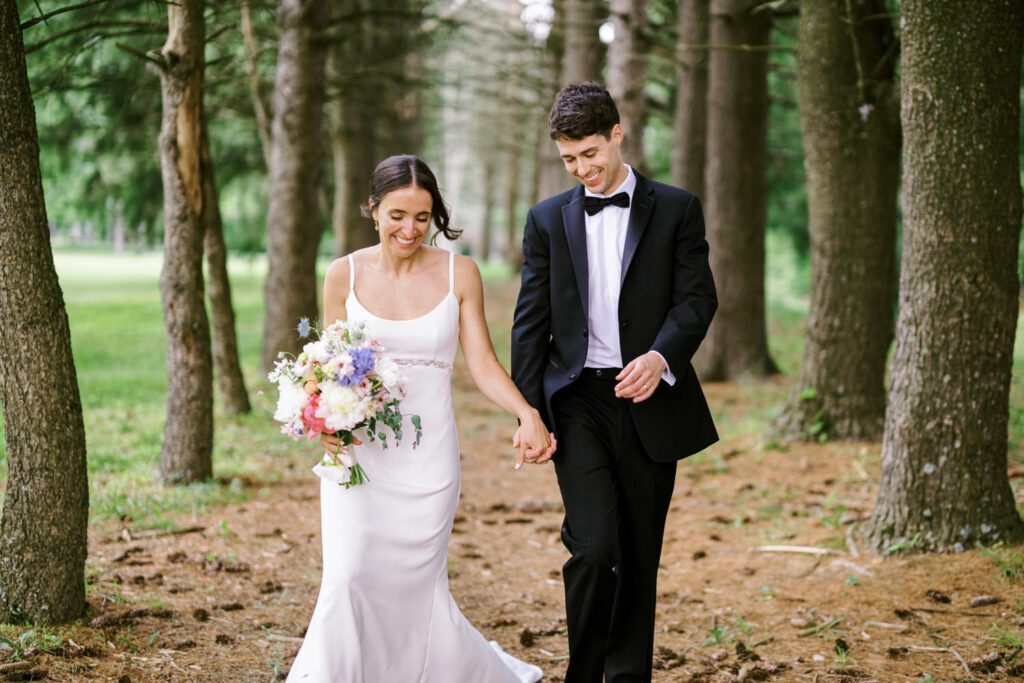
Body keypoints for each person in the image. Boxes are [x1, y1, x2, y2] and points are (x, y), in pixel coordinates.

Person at [287, 154, 553, 682]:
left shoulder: (461, 272)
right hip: (357, 457)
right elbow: (325, 366)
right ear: (373, 210)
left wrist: (526, 413)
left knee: (415, 586)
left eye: (422, 216)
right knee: (348, 577)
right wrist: (322, 422)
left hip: (428, 461)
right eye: (397, 215)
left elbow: (480, 361)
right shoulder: (342, 274)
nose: (410, 229)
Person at [511, 82, 719, 683]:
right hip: (578, 402)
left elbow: (696, 299)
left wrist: (661, 357)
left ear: (617, 135)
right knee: (595, 546)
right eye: (570, 160)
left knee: (638, 556)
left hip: (651, 401)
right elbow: (532, 323)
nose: (583, 170)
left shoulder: (677, 208)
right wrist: (530, 415)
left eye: (591, 155)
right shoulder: (547, 220)